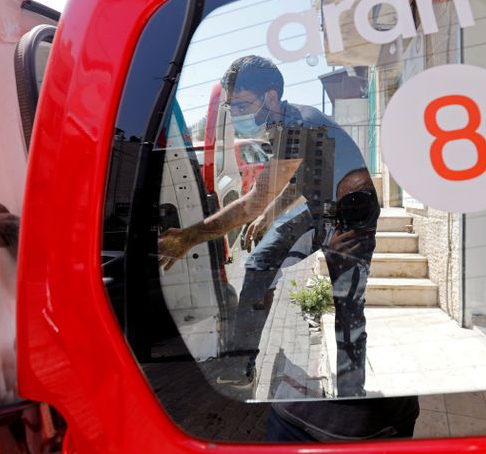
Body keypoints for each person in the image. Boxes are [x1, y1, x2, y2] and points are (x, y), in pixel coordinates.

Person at [158, 55, 418, 440]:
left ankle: (350, 398)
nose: (239, 114)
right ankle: (242, 365)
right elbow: (297, 181)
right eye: (233, 107)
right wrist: (267, 220)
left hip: (352, 216)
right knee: (261, 262)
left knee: (347, 311)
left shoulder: (299, 124)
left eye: (243, 105)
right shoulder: (284, 124)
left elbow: (252, 201)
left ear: (272, 96)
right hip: (319, 208)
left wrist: (189, 236)